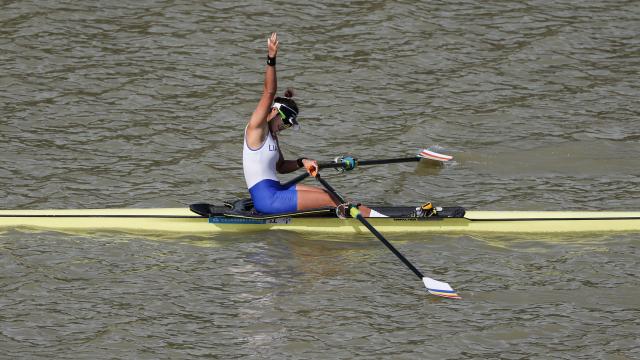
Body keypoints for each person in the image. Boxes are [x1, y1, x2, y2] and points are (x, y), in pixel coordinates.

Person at [243, 33, 386, 217]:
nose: (285, 127)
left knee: (330, 195)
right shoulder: (257, 128)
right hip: (268, 201)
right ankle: (383, 222)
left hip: (276, 190)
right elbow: (269, 91)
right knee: (330, 200)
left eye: (289, 125)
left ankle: (364, 215)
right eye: (285, 121)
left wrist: (303, 161)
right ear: (274, 112)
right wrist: (271, 58)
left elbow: (280, 167)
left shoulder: (272, 136)